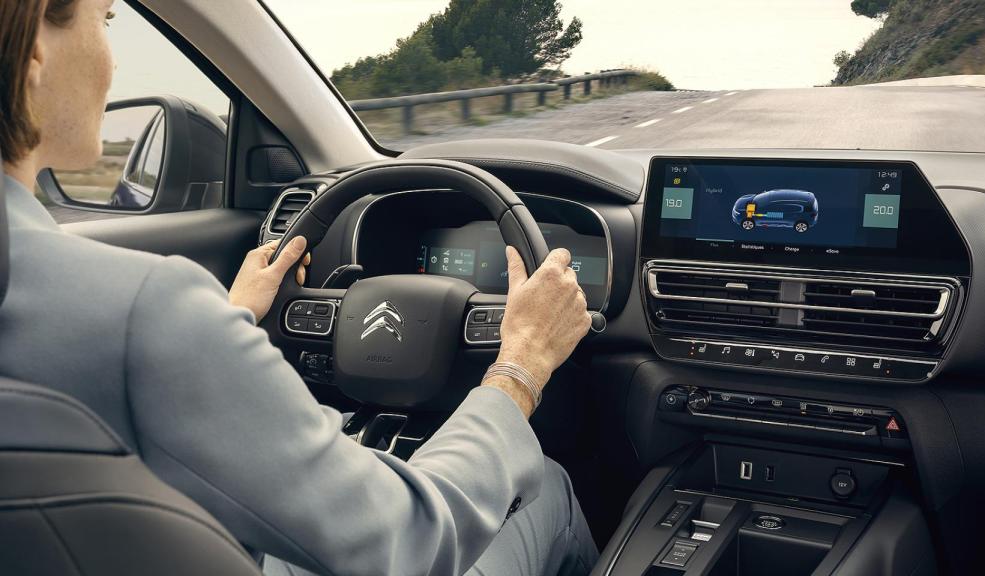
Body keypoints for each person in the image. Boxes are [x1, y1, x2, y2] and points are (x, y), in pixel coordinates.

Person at [0, 1, 599, 575]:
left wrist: (229, 317)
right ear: (34, 53)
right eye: (105, 19)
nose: (113, 58)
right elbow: (408, 541)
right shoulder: (152, 313)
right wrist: (521, 365)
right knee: (543, 483)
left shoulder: (99, 311)